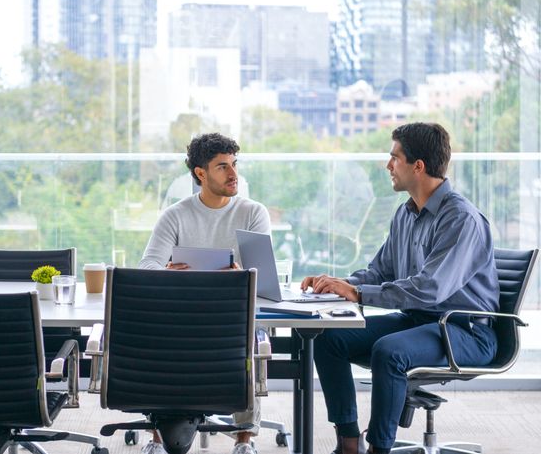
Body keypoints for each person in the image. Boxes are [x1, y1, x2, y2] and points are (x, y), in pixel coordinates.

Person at [301, 122, 499, 454]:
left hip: (465, 331)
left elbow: (430, 288)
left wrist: (360, 294)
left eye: (394, 158)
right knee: (328, 337)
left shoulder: (461, 218)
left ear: (417, 166)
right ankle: (349, 443)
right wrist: (337, 284)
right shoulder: (406, 214)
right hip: (420, 321)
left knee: (389, 351)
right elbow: (381, 271)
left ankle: (380, 448)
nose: (388, 165)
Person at [139, 132, 270, 454]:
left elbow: (263, 277)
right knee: (156, 337)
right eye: (223, 167)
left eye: (234, 164)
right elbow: (147, 266)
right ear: (201, 174)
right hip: (183, 312)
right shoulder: (176, 214)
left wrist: (242, 273)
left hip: (233, 313)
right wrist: (166, 272)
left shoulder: (252, 212)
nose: (234, 174)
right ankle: (158, 438)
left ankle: (244, 440)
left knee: (247, 338)